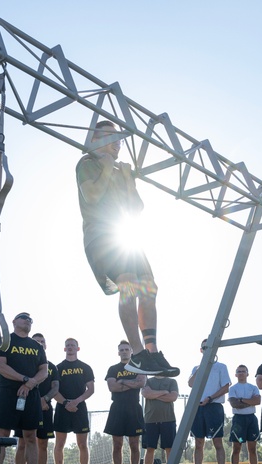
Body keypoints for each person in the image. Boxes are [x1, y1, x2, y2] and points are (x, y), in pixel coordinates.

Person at [76, 120, 178, 378]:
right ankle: (137, 352)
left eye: (118, 138)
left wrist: (128, 180)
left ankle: (151, 352)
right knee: (129, 284)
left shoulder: (122, 170)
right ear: (96, 139)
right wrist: (110, 165)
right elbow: (93, 196)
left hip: (124, 234)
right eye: (109, 136)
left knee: (149, 287)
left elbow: (136, 208)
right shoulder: (87, 164)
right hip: (102, 235)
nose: (116, 142)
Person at [0, 312, 49, 464]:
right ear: (14, 322)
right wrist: (24, 379)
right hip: (8, 393)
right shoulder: (4, 342)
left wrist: (30, 384)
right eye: (23, 317)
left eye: (30, 318)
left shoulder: (36, 346)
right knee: (2, 437)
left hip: (30, 395)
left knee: (31, 437)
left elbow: (44, 371)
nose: (28, 320)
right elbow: (1, 366)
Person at [11, 333, 59, 464]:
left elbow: (55, 388)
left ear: (45, 345)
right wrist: (35, 401)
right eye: (36, 341)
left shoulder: (51, 367)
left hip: (45, 407)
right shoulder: (26, 364)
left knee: (43, 444)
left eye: (42, 342)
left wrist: (44, 400)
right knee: (23, 443)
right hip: (25, 405)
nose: (40, 343)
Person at [183, 340, 231, 464]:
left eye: (209, 347)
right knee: (198, 442)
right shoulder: (196, 368)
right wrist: (202, 366)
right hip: (198, 408)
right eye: (204, 347)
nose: (207, 349)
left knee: (217, 442)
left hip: (214, 407)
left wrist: (210, 398)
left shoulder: (221, 367)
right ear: (201, 350)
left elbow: (226, 388)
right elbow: (191, 383)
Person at [53, 338, 95, 464]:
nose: (70, 347)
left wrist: (76, 401)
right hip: (61, 407)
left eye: (73, 345)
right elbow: (54, 390)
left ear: (78, 348)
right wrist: (65, 403)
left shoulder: (85, 367)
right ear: (64, 349)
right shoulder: (57, 368)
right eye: (68, 346)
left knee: (82, 444)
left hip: (79, 408)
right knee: (59, 444)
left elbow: (91, 389)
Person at [105, 341, 147, 464]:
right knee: (117, 444)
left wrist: (122, 381)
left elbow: (141, 383)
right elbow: (112, 387)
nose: (124, 352)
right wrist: (130, 382)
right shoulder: (113, 369)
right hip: (117, 408)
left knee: (135, 444)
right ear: (118, 352)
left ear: (131, 351)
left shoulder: (138, 367)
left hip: (133, 408)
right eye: (121, 350)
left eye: (126, 349)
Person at [141, 371, 179, 464]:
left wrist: (154, 395)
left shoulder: (172, 381)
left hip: (168, 419)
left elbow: (173, 397)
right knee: (149, 448)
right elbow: (146, 394)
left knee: (169, 449)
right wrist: (163, 392)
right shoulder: (148, 380)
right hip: (150, 420)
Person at [227, 364, 261, 464]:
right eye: (239, 371)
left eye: (243, 371)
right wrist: (249, 401)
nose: (241, 373)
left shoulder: (253, 387)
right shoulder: (233, 388)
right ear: (236, 374)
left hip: (251, 419)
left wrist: (241, 399)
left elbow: (257, 401)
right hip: (238, 420)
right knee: (237, 447)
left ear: (247, 373)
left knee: (252, 448)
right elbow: (234, 404)